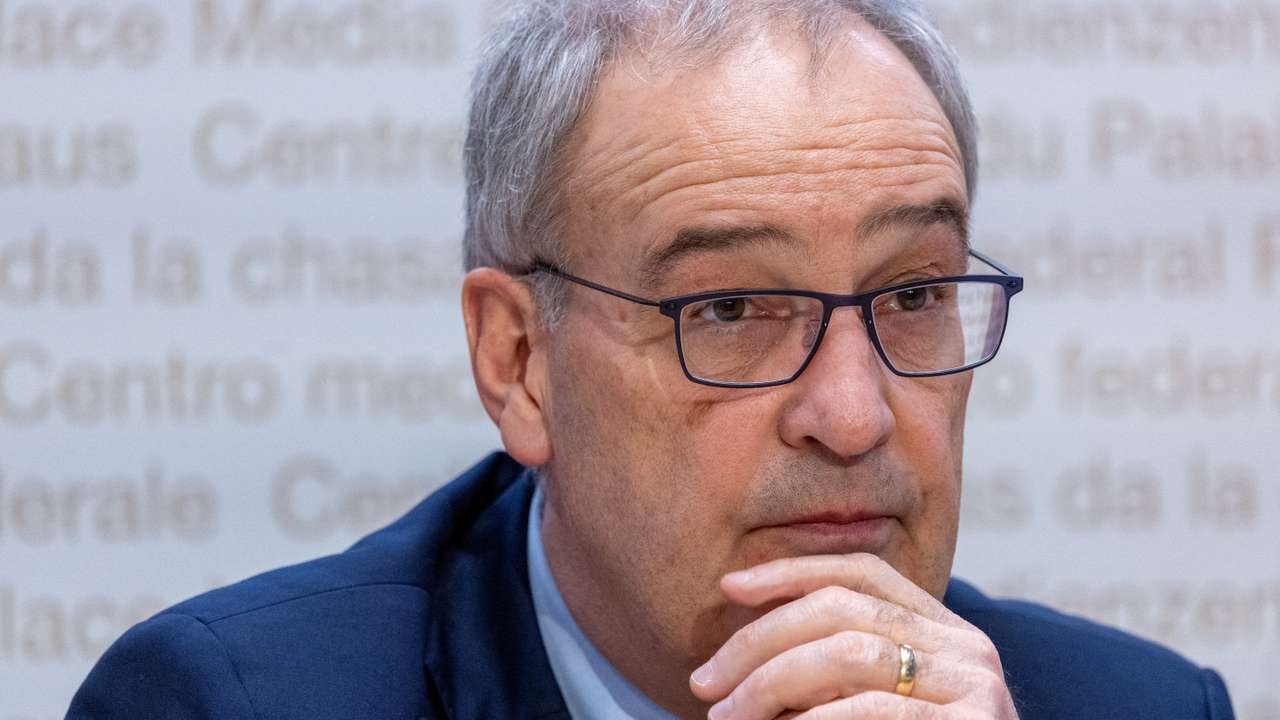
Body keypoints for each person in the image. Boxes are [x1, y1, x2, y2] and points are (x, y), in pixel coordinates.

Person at [67, 1, 1235, 718]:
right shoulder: (233, 706)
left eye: (914, 292)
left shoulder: (1135, 706)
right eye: (729, 307)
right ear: (518, 362)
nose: (851, 413)